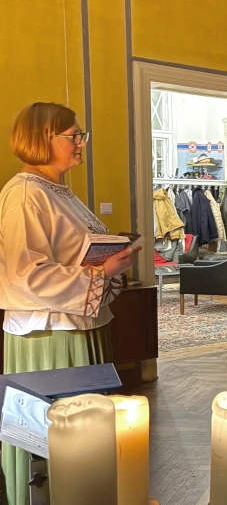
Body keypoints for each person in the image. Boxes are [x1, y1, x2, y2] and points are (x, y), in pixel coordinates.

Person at [0, 103, 138, 504]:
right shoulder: (25, 194)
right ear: (43, 138)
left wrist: (110, 262)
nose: (82, 143)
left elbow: (73, 255)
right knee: (57, 440)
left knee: (86, 438)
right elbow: (22, 275)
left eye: (82, 135)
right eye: (73, 136)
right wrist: (101, 272)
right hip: (51, 336)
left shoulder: (60, 192)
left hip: (80, 326)